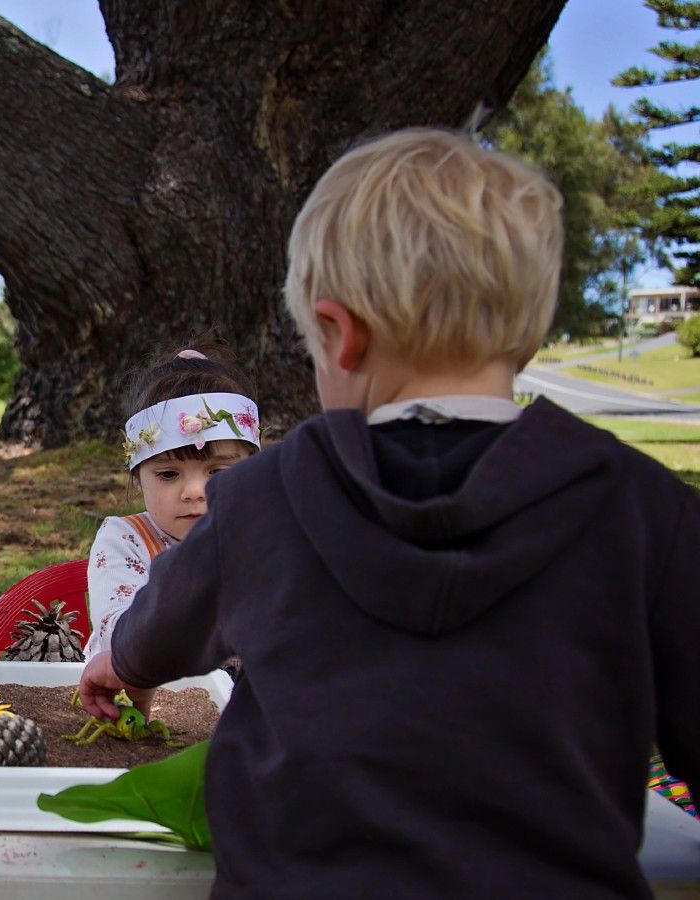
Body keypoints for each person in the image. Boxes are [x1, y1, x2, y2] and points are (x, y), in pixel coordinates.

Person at [79, 128, 700, 897]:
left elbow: (162, 623)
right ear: (532, 335)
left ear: (339, 336)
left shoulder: (260, 500)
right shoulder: (651, 511)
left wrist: (124, 662)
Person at [85, 344, 260, 670]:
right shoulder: (125, 541)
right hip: (148, 707)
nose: (194, 491)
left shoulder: (262, 536)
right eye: (168, 474)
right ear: (138, 477)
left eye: (218, 472)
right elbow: (122, 640)